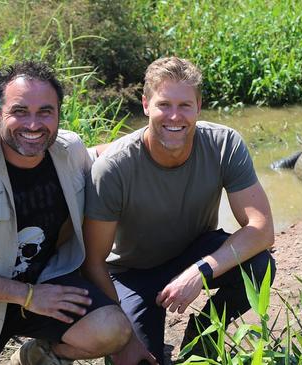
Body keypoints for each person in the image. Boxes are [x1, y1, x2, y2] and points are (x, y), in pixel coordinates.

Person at [0, 61, 133, 365]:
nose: (34, 125)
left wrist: (163, 129)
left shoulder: (69, 150)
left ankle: (36, 356)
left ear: (59, 114)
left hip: (48, 284)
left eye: (45, 112)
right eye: (20, 112)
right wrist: (27, 296)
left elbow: (107, 158)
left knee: (112, 329)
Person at [83, 56, 276, 363]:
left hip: (193, 253)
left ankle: (202, 340)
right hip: (131, 273)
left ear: (199, 106)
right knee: (136, 358)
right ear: (146, 105)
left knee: (259, 265)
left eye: (185, 105)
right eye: (164, 105)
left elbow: (262, 229)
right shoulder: (113, 168)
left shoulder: (224, 144)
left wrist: (200, 271)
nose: (174, 116)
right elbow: (94, 262)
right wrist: (126, 339)